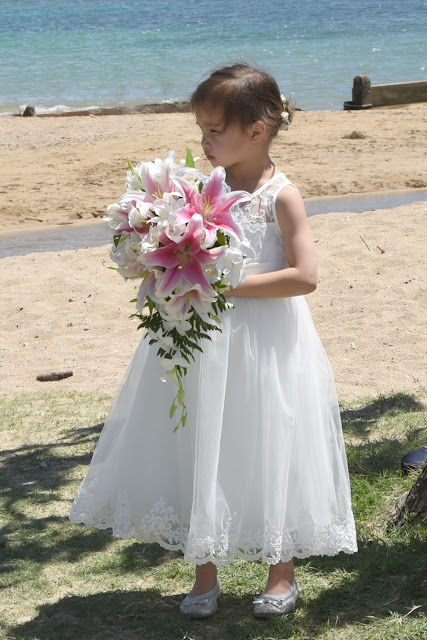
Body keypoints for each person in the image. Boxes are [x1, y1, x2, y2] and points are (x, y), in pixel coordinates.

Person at [69, 63, 357, 619]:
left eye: (214, 131)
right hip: (199, 340)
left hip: (266, 342)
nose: (203, 143)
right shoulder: (195, 191)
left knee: (269, 441)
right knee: (200, 440)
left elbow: (305, 276)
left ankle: (280, 571)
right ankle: (205, 571)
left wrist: (228, 283)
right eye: (201, 130)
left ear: (258, 128)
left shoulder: (281, 196)